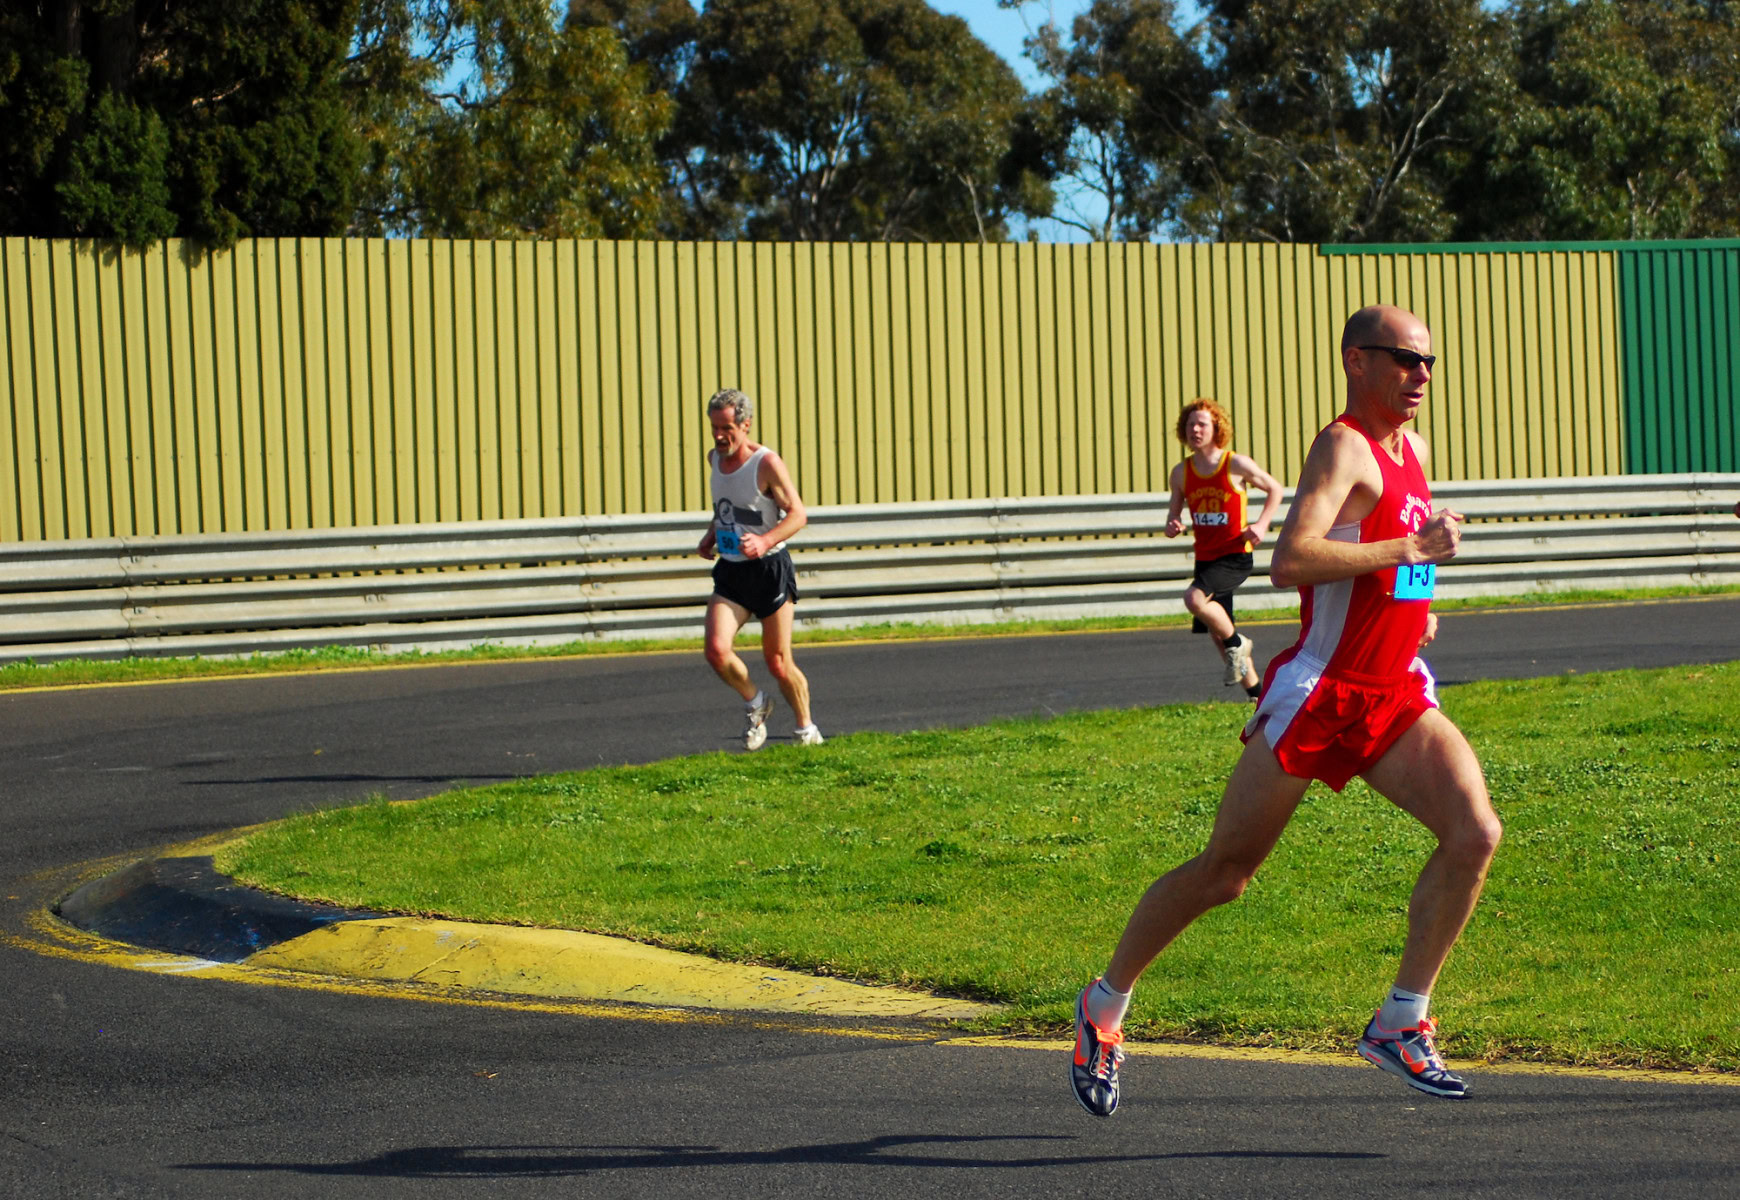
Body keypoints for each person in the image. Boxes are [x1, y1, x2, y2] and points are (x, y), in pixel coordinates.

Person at [1070, 305, 1502, 1115]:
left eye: (1429, 362)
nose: (1421, 376)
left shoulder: (1416, 450)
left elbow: (1385, 561)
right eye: (1404, 359)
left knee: (1475, 831)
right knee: (1226, 875)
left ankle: (1401, 1021)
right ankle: (1104, 1006)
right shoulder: (1343, 444)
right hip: (1321, 690)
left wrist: (1420, 591)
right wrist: (1409, 550)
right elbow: (1292, 561)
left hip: (1394, 689)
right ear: (1356, 362)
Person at [697, 388, 823, 750]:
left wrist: (765, 541)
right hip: (732, 571)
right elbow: (727, 508)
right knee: (716, 651)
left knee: (779, 662)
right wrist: (710, 536)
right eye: (714, 428)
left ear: (745, 424)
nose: (720, 436)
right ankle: (756, 702)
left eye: (727, 428)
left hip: (769, 569)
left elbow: (798, 514)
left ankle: (805, 729)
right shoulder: (715, 460)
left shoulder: (766, 463)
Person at [1164, 399, 1283, 699]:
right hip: (1206, 558)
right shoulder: (1181, 473)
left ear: (1217, 428)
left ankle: (1237, 643)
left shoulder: (1235, 464)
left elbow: (1275, 489)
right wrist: (1174, 524)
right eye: (1191, 424)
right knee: (1220, 635)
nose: (1195, 429)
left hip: (1234, 556)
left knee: (1194, 599)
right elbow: (1173, 514)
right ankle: (1258, 696)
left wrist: (1262, 524)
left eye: (1202, 423)